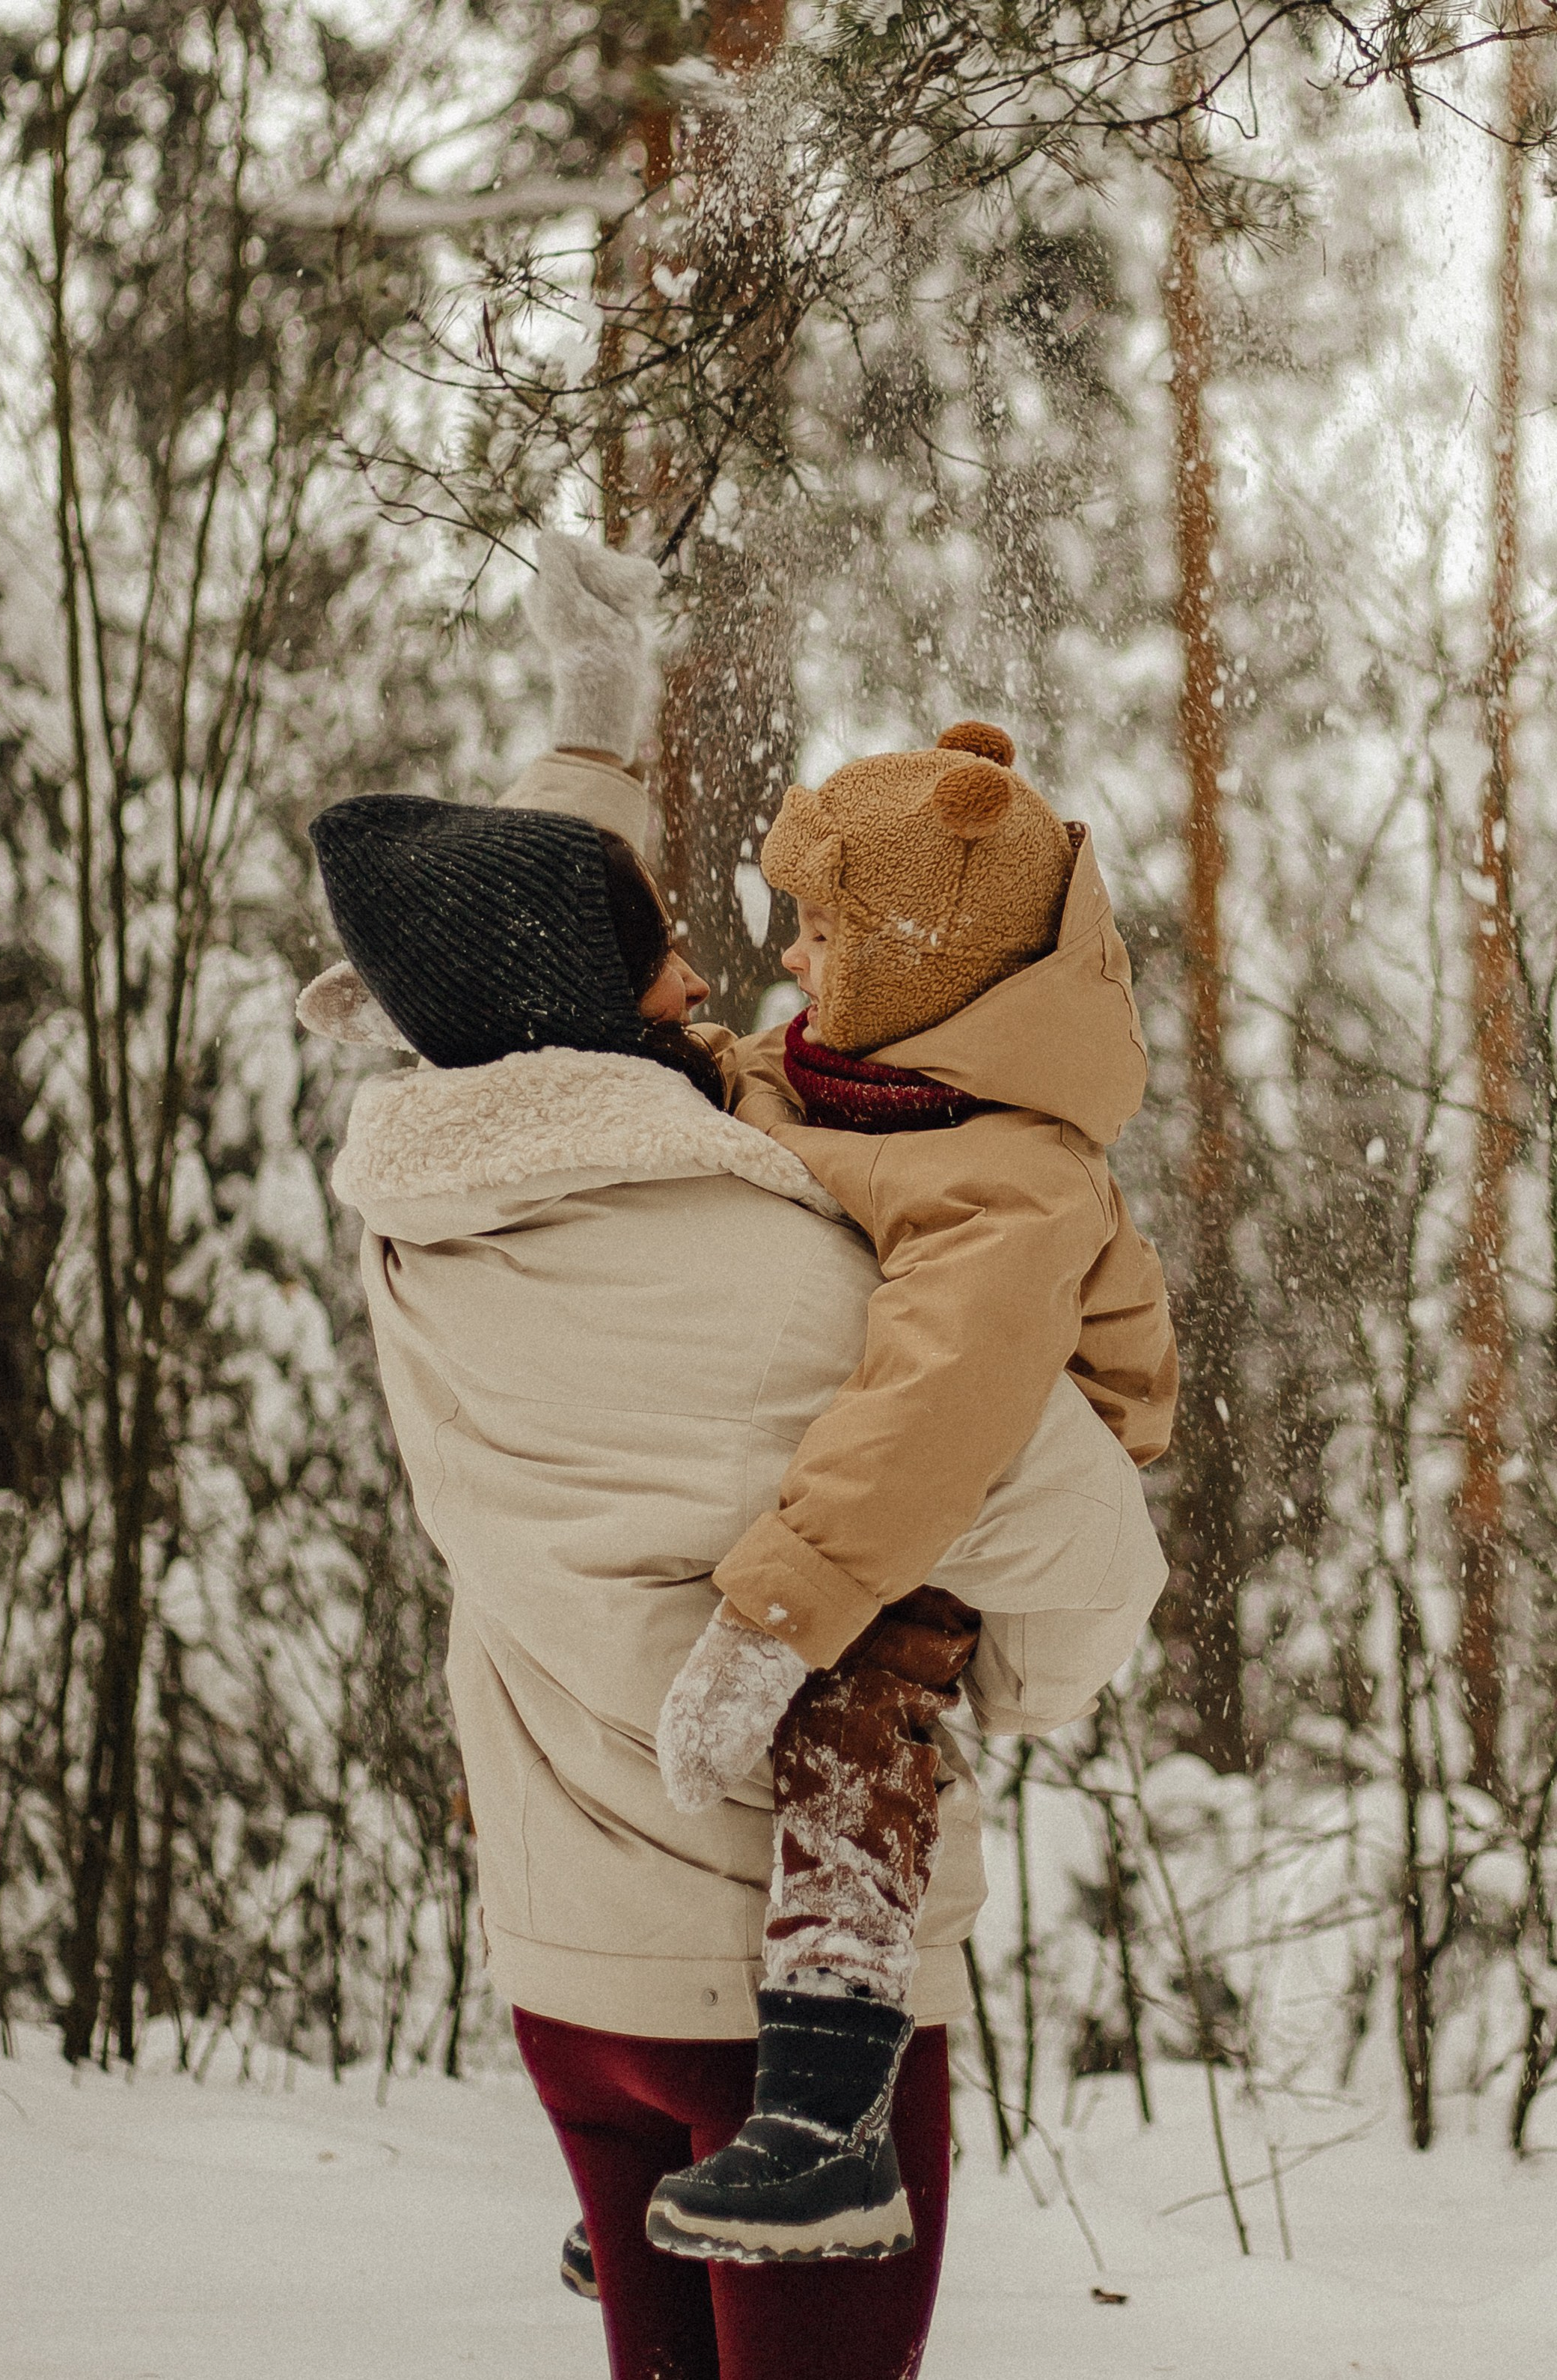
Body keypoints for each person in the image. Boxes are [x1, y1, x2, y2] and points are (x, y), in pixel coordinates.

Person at [299, 792, 1166, 2380]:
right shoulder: (794, 1272)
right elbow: (1087, 1546)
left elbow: (508, 970)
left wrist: (587, 713)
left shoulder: (416, 1222)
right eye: (664, 958)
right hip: (780, 1997)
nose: (709, 981)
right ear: (582, 994)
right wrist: (1017, 1684)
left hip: (569, 1980)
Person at [646, 721, 1176, 2263]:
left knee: (846, 1703)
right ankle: (678, 2128)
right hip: (904, 1446)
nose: (795, 962)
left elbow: (944, 1406)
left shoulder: (1011, 1167)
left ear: (926, 957)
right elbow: (735, 1092)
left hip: (1009, 1472)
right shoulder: (861, 1065)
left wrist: (775, 1617)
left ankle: (821, 2119)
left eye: (823, 932)